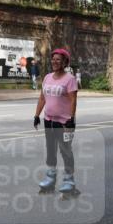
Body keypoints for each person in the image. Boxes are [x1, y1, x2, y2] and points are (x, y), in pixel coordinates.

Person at [33, 48, 79, 195]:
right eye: (53, 59)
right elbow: (42, 98)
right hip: (49, 120)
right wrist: (36, 115)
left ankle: (69, 180)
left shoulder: (70, 79)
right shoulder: (47, 77)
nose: (55, 61)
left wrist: (71, 120)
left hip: (65, 122)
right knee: (51, 150)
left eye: (58, 59)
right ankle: (50, 178)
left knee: (66, 151)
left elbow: (73, 100)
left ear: (65, 62)